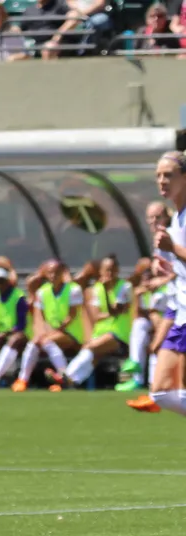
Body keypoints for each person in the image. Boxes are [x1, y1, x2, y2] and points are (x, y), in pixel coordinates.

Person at [128, 153, 186, 415]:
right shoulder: (177, 218)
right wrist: (171, 267)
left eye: (169, 175)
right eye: (158, 176)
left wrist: (172, 248)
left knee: (182, 392)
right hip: (180, 312)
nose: (162, 181)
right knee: (161, 392)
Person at [46, 254, 131, 390]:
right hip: (102, 334)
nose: (109, 273)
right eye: (106, 270)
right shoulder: (97, 288)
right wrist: (108, 312)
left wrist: (106, 293)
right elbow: (96, 315)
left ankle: (65, 375)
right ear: (101, 272)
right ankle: (72, 382)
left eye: (112, 270)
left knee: (90, 347)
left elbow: (116, 310)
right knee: (93, 356)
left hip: (120, 336)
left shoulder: (125, 287)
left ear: (117, 270)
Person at [12, 260, 85, 392]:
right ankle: (22, 380)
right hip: (54, 332)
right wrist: (46, 332)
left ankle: (64, 379)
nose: (53, 276)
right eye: (50, 273)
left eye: (56, 273)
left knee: (46, 341)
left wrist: (54, 331)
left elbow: (72, 315)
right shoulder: (42, 292)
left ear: (62, 273)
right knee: (34, 342)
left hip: (72, 333)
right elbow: (42, 317)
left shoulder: (74, 289)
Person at [118, 248, 173, 393]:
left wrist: (157, 333)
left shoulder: (165, 290)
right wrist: (137, 297)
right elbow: (136, 318)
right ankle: (136, 370)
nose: (147, 279)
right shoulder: (142, 291)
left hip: (168, 328)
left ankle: (153, 383)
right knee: (139, 325)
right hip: (153, 327)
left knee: (156, 344)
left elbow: (162, 319)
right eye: (144, 275)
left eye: (149, 274)